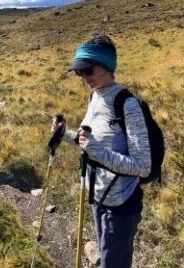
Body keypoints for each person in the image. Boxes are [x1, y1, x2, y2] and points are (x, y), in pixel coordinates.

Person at [52, 35, 150, 268]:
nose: (84, 77)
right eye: (79, 73)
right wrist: (64, 134)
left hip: (121, 205)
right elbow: (89, 142)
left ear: (107, 66)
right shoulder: (95, 96)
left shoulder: (127, 105)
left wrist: (96, 152)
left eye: (88, 70)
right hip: (98, 197)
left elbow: (142, 166)